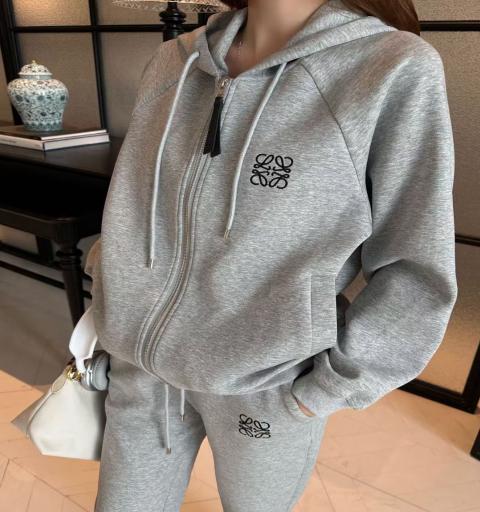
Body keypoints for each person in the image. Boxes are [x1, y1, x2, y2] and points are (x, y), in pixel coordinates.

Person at [88, 0, 458, 510]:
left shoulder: (391, 65)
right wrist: (113, 298)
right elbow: (135, 202)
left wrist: (328, 388)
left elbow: (415, 261)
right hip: (141, 366)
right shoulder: (174, 60)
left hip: (266, 383)